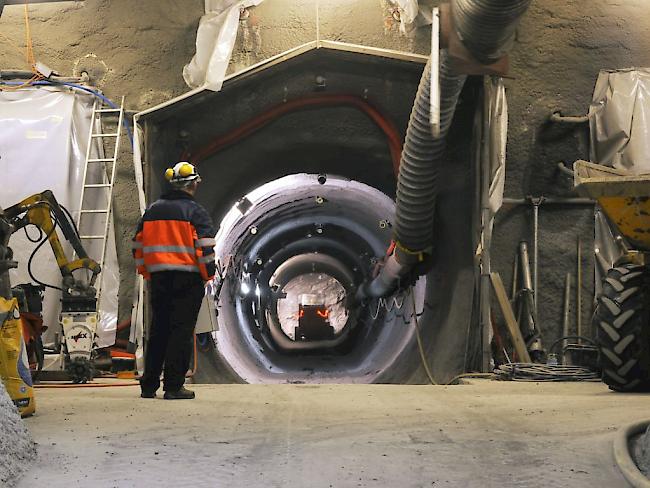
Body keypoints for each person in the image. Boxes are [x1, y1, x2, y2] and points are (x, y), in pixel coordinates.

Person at [132, 162, 216, 400]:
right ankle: (173, 386)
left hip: (159, 278)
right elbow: (205, 249)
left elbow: (137, 244)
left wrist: (146, 272)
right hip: (187, 279)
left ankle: (148, 386)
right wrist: (207, 274)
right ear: (193, 184)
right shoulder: (195, 212)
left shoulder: (153, 211)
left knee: (158, 330)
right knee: (181, 331)